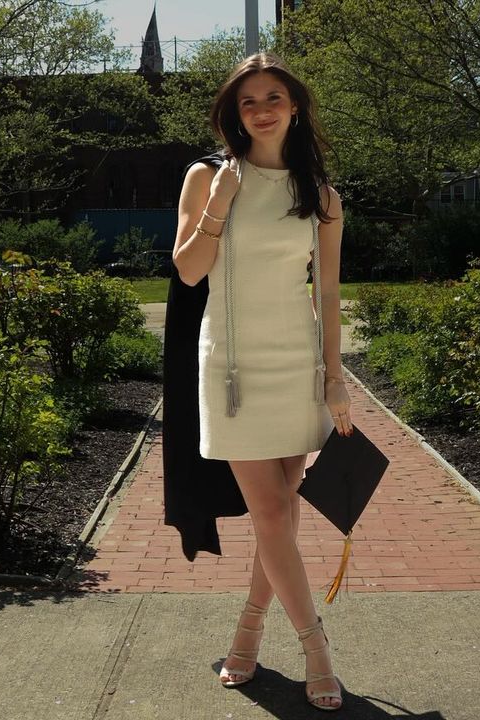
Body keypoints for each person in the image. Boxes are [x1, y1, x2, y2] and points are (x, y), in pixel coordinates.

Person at [171, 52, 353, 712]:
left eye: (274, 96)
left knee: (280, 518)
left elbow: (328, 295)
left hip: (297, 367)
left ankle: (247, 631)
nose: (263, 108)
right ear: (235, 115)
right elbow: (189, 271)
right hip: (232, 370)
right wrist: (220, 205)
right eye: (249, 101)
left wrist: (335, 379)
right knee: (272, 511)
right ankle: (316, 648)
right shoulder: (206, 177)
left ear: (295, 107)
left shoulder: (322, 196)